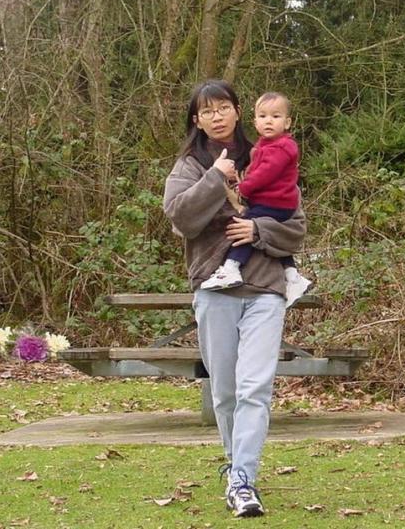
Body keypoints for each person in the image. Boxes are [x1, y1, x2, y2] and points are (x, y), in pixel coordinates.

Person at [163, 79, 306, 517]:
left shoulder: (270, 150)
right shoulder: (188, 165)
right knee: (225, 392)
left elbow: (296, 225)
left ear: (239, 111)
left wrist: (258, 231)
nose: (217, 116)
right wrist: (215, 178)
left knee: (254, 388)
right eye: (207, 111)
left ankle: (243, 478)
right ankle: (234, 467)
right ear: (197, 120)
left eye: (223, 107)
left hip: (265, 287)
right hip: (214, 287)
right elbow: (180, 219)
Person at [200, 91, 311, 307]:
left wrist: (244, 187)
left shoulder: (282, 147)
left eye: (275, 116)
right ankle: (292, 276)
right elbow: (256, 169)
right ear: (255, 122)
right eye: (263, 116)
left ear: (287, 122)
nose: (268, 121)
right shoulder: (264, 146)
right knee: (260, 233)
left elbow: (265, 173)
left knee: (243, 226)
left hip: (276, 203)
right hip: (275, 201)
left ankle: (232, 267)